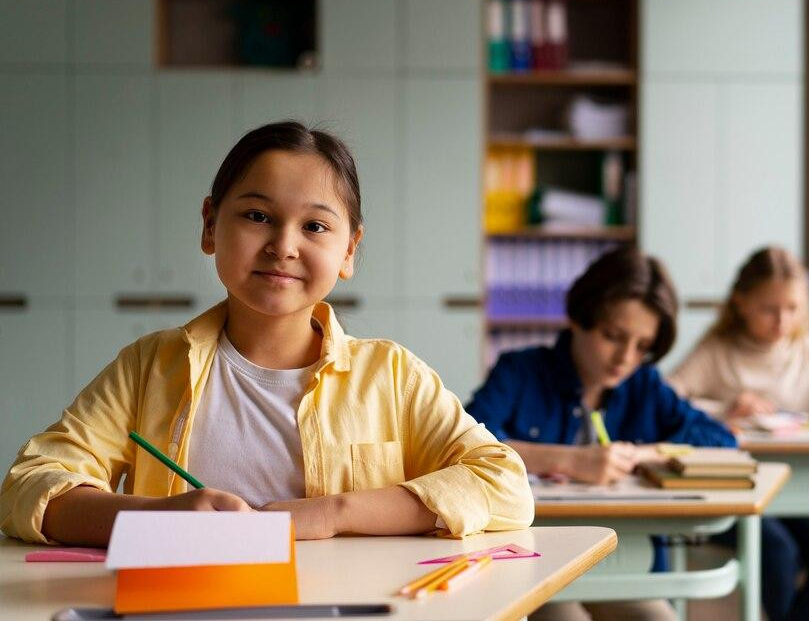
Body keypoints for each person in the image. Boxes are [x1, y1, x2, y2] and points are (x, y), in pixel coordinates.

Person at [0, 121, 533, 546]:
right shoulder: (150, 366)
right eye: (257, 215)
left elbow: (505, 485)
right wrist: (160, 518)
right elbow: (28, 486)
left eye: (316, 227)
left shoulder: (390, 375)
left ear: (349, 250)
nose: (284, 245)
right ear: (210, 225)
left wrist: (332, 513)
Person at [466, 246, 736, 621]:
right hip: (533, 555)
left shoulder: (644, 385)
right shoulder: (520, 371)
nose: (625, 358)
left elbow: (718, 438)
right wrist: (570, 460)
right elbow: (467, 445)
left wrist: (642, 454)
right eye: (613, 335)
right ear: (579, 318)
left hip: (625, 556)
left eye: (642, 347)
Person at [669, 246, 809, 621]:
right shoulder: (716, 352)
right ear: (741, 303)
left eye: (793, 309)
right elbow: (662, 402)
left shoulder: (806, 350)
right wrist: (725, 410)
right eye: (769, 309)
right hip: (737, 495)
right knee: (777, 552)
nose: (782, 322)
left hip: (799, 493)